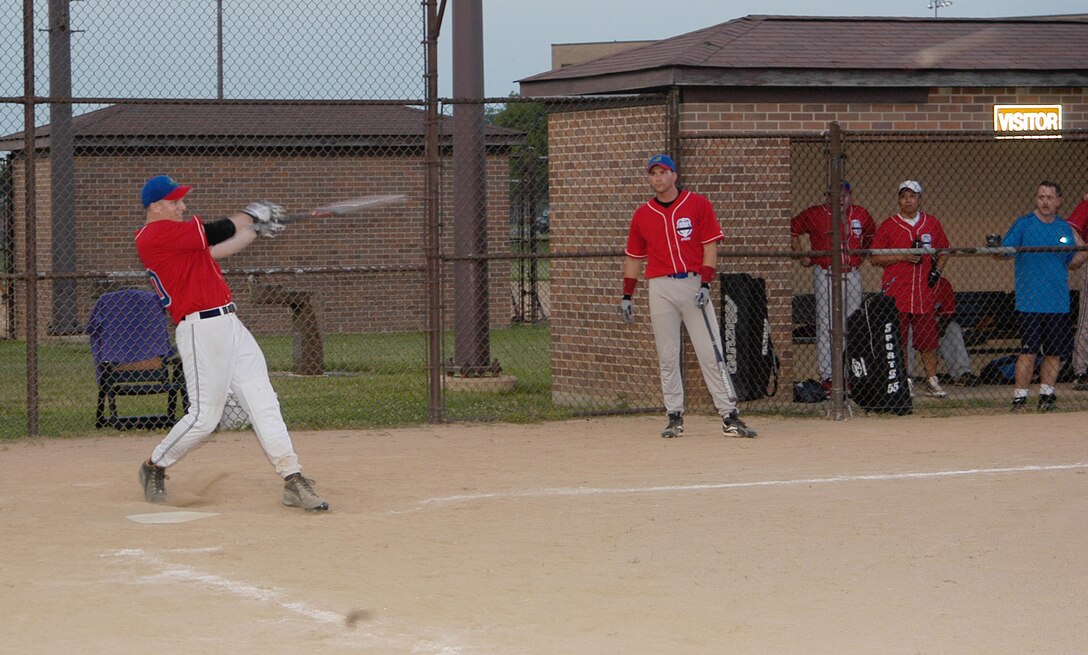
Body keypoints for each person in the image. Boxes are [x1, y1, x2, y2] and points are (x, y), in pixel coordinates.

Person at [133, 175, 328, 510]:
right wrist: (251, 215)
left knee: (263, 400)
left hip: (230, 324)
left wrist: (256, 231)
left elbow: (217, 249)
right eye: (175, 201)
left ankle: (292, 477)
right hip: (199, 330)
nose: (182, 206)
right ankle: (155, 465)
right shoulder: (153, 235)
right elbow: (215, 231)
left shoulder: (179, 239)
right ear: (155, 206)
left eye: (181, 200)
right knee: (204, 419)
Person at [620, 154, 757, 438]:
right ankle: (674, 415)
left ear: (674, 175)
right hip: (660, 287)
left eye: (662, 172)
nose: (657, 178)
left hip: (694, 284)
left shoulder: (698, 204)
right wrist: (627, 295)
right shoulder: (642, 214)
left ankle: (729, 415)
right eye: (653, 173)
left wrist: (706, 283)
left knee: (710, 352)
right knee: (667, 355)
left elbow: (709, 247)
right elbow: (634, 258)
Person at [996, 181, 1088, 411]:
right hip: (1030, 302)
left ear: (1059, 201)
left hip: (1057, 302)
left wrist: (1084, 250)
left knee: (1054, 352)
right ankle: (1020, 397)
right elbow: (1004, 252)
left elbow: (1073, 263)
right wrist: (995, 248)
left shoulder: (1063, 229)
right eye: (1041, 197)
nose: (1045, 201)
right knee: (1028, 351)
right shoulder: (1024, 225)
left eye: (1049, 197)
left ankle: (1047, 396)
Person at [790, 181, 876, 396]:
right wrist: (802, 255)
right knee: (827, 323)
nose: (839, 199)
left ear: (850, 196)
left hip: (851, 272)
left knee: (853, 323)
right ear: (827, 196)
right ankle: (828, 376)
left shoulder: (861, 214)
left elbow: (871, 236)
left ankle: (851, 373)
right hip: (825, 272)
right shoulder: (816, 213)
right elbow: (791, 229)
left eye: (844, 195)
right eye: (833, 194)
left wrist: (860, 257)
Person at [869, 180, 950, 398]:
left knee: (927, 340)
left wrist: (936, 272)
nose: (908, 200)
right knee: (899, 338)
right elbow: (874, 257)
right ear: (898, 199)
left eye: (912, 196)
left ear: (919, 199)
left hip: (923, 291)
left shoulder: (931, 223)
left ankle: (932, 380)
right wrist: (902, 256)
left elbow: (944, 250)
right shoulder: (889, 224)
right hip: (898, 290)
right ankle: (904, 379)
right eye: (904, 196)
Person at [905, 276, 982, 387]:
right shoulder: (908, 281)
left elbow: (947, 313)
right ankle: (906, 376)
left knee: (953, 328)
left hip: (933, 321)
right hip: (911, 321)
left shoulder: (943, 283)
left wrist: (939, 328)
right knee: (907, 331)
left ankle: (962, 373)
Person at [1062, 192, 1088, 390]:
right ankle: (1081, 370)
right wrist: (1085, 248)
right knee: (1086, 318)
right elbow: (1070, 228)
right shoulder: (1086, 204)